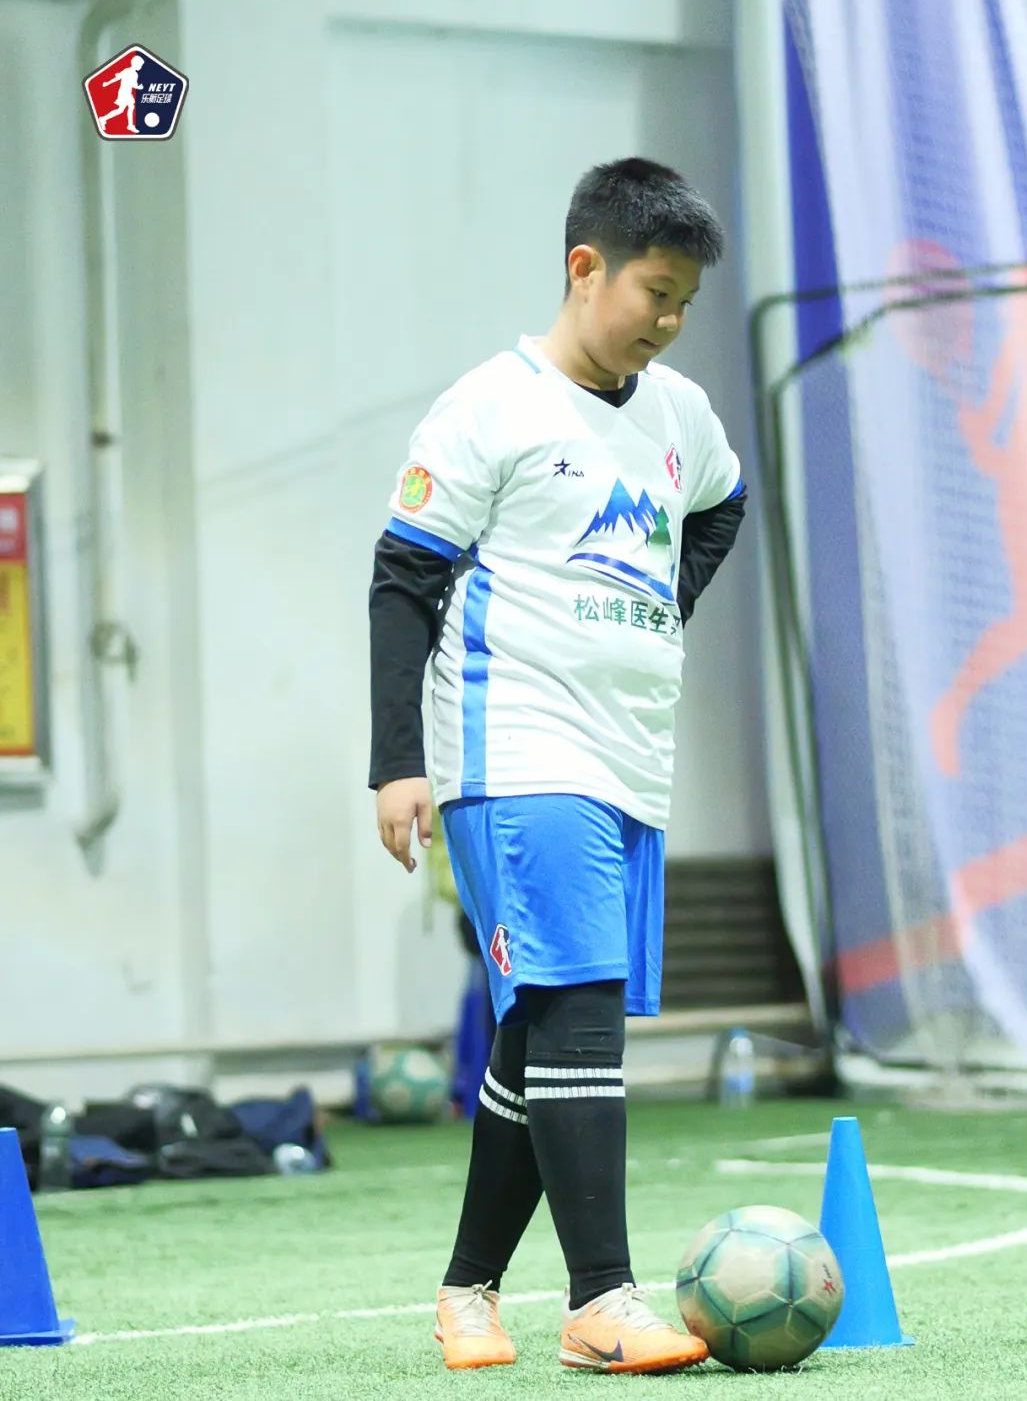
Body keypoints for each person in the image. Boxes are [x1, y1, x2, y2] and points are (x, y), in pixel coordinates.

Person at [368, 157, 747, 1374]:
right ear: (586, 268)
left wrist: (667, 602)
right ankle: (600, 1300)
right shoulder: (490, 406)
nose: (670, 320)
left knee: (546, 1020)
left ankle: (468, 1291)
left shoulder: (680, 414)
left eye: (685, 301)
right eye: (655, 292)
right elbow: (403, 578)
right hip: (518, 746)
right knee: (580, 1005)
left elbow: (724, 504)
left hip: (631, 758)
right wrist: (396, 761)